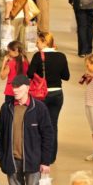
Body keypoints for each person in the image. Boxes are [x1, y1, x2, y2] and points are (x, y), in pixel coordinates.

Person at [27, 32, 70, 164]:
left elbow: (29, 74)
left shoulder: (38, 56)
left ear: (45, 42)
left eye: (38, 42)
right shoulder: (61, 56)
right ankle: (51, 157)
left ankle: (40, 154)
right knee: (53, 125)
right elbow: (66, 76)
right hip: (57, 94)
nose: (36, 44)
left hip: (41, 95)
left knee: (39, 125)